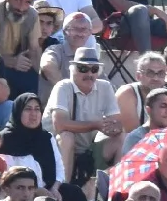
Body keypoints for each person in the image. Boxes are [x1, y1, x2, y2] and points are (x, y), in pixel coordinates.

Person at [47, 47, 120, 191]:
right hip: (57, 150)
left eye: (94, 69)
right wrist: (96, 125)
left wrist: (112, 127)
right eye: (82, 69)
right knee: (66, 137)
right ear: (71, 69)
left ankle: (114, 188)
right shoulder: (63, 87)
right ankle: (64, 189)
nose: (89, 74)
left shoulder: (105, 86)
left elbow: (116, 123)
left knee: (121, 137)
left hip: (88, 149)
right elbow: (60, 125)